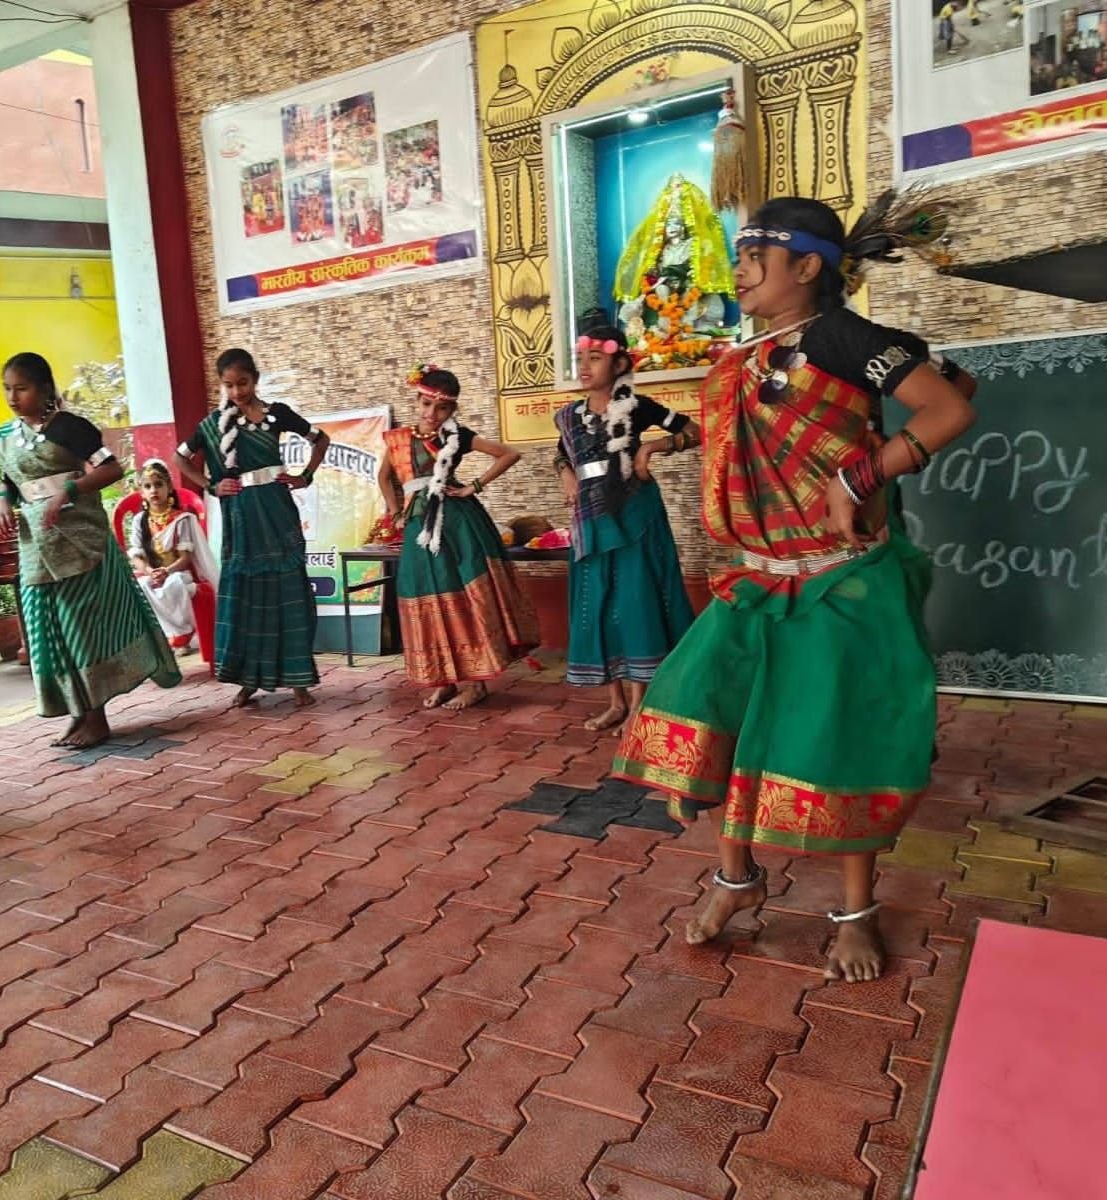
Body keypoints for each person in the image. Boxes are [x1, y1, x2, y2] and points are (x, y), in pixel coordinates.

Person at [611, 194, 978, 983]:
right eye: (740, 258)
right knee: (716, 716)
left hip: (838, 582)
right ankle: (736, 880)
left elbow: (950, 401)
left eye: (755, 259)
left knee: (836, 743)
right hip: (757, 580)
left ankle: (855, 913)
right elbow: (743, 427)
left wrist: (863, 475)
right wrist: (674, 442)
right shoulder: (747, 351)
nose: (739, 273)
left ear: (808, 267)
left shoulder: (840, 337)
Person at [0, 352, 180, 748]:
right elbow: (8, 480)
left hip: (78, 541)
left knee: (80, 628)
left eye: (21, 388)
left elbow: (111, 468)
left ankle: (97, 718)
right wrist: (2, 502)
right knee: (50, 631)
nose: (12, 397)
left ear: (45, 389)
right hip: (36, 544)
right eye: (7, 389)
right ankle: (77, 713)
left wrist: (69, 491)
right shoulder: (11, 436)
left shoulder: (69, 428)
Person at [555, 326, 697, 732]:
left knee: (636, 600)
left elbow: (693, 431)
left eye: (595, 358)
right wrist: (566, 475)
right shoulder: (567, 416)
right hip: (589, 519)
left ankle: (639, 705)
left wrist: (651, 448)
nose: (584, 366)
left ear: (619, 364)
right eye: (581, 358)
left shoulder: (638, 407)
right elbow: (561, 454)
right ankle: (615, 703)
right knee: (598, 603)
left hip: (634, 514)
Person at [376, 364, 538, 710]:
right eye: (426, 404)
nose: (432, 414)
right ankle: (445, 680)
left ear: (452, 409)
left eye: (442, 408)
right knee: (427, 595)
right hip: (419, 525)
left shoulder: (457, 436)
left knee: (463, 596)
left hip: (457, 525)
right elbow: (384, 476)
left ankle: (476, 683)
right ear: (416, 401)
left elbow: (510, 453)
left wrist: (473, 486)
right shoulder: (398, 439)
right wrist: (395, 510)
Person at [176, 348, 329, 708]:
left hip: (276, 512)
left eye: (242, 383)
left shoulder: (278, 414)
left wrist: (304, 476)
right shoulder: (214, 424)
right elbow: (179, 458)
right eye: (229, 385)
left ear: (255, 379)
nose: (237, 392)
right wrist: (211, 485)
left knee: (287, 591)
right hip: (241, 519)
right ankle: (248, 681)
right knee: (247, 597)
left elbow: (320, 439)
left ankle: (299, 680)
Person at [127, 458, 219, 656]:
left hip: (177, 572)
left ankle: (182, 634)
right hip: (152, 574)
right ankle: (163, 636)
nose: (154, 490)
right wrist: (150, 572)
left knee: (174, 584)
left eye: (158, 484)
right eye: (147, 486)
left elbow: (185, 558)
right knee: (142, 586)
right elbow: (136, 556)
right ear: (141, 491)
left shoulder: (181, 519)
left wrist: (166, 571)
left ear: (169, 487)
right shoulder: (140, 521)